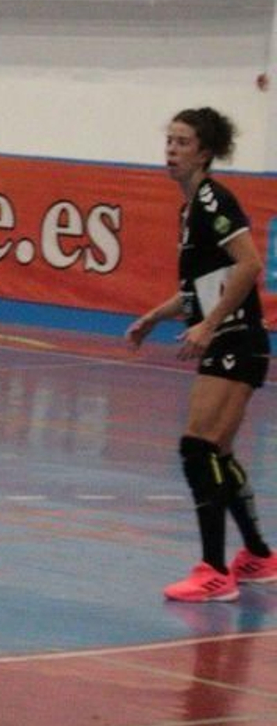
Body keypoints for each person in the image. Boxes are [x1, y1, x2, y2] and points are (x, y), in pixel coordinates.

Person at [125, 107, 276, 602]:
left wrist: (209, 326)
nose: (171, 149)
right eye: (169, 140)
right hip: (230, 339)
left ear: (205, 152)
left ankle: (214, 571)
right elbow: (199, 290)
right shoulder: (189, 209)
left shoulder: (213, 199)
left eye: (183, 142)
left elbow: (249, 264)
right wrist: (155, 316)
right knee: (218, 452)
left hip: (236, 341)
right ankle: (257, 556)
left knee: (198, 447)